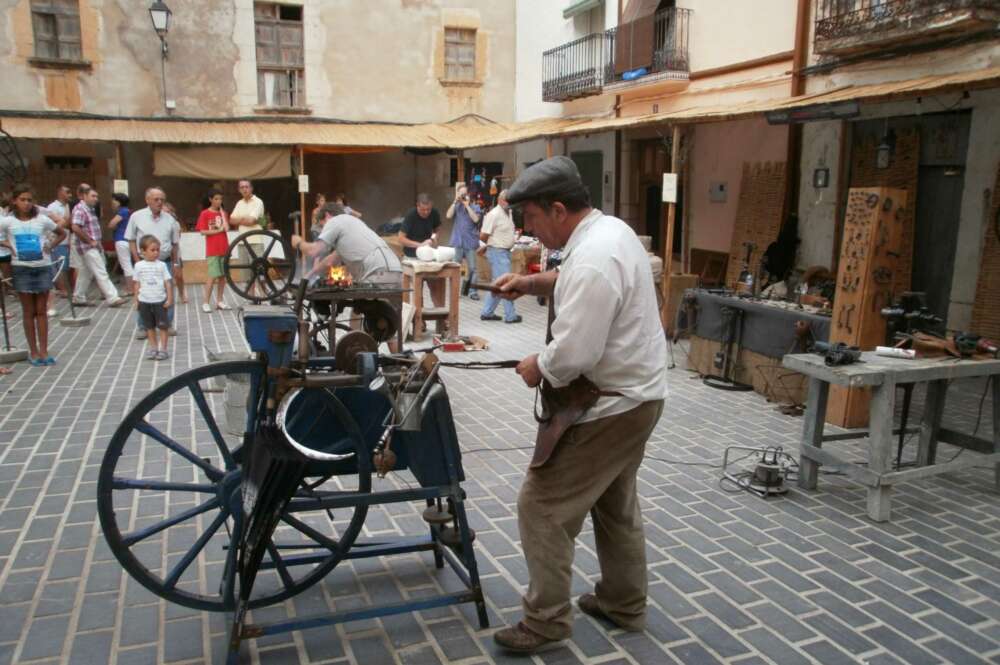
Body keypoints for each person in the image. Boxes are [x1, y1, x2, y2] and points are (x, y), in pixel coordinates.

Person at [490, 157, 668, 654]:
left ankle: (545, 623)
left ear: (559, 208)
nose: (527, 229)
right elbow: (574, 280)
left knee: (541, 506)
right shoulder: (608, 231)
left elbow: (573, 355)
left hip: (612, 404)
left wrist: (538, 366)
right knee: (614, 503)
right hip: (639, 395)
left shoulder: (593, 257)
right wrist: (529, 283)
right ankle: (623, 603)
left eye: (530, 218)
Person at [0, 184, 68, 365]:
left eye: (29, 200)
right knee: (28, 311)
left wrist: (51, 246)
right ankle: (33, 351)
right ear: (14, 201)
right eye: (22, 199)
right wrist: (8, 246)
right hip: (21, 268)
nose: (26, 203)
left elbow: (61, 232)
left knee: (42, 311)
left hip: (42, 267)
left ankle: (44, 350)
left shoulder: (42, 220)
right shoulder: (8, 222)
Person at [126, 187, 180, 338]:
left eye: (162, 199)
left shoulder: (170, 219)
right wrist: (137, 260)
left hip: (165, 262)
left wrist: (175, 264)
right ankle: (143, 326)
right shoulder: (136, 216)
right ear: (147, 200)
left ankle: (167, 324)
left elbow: (175, 244)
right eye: (156, 199)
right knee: (144, 293)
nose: (159, 202)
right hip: (144, 263)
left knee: (167, 292)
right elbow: (130, 240)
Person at [71, 186, 126, 308]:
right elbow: (75, 227)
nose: (96, 199)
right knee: (100, 270)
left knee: (86, 272)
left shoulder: (89, 209)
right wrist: (90, 241)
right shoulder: (80, 209)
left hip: (92, 245)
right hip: (87, 246)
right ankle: (113, 297)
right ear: (84, 196)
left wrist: (97, 243)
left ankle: (78, 297)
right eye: (93, 196)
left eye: (96, 196)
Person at [478, 190, 521, 324]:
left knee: (498, 284)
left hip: (505, 251)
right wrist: (486, 247)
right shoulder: (493, 214)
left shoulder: (509, 212)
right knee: (506, 283)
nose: (510, 204)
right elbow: (483, 235)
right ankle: (510, 315)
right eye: (507, 201)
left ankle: (487, 312)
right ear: (500, 201)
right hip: (497, 251)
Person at [398, 193, 445, 310]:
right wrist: (420, 245)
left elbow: (438, 229)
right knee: (417, 289)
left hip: (429, 256)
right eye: (423, 210)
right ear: (417, 206)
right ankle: (420, 320)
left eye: (428, 209)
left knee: (436, 285)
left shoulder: (434, 213)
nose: (426, 212)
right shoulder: (411, 215)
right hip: (412, 257)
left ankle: (441, 317)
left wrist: (435, 238)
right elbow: (401, 238)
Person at [133, 235, 174, 361]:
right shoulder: (139, 266)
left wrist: (170, 298)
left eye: (157, 250)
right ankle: (153, 348)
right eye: (153, 250)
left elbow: (167, 282)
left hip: (159, 301)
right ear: (143, 251)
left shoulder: (161, 265)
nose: (156, 252)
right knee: (149, 327)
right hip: (145, 301)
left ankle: (164, 349)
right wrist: (136, 300)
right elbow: (137, 284)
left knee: (163, 326)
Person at [196, 189, 231, 312]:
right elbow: (202, 231)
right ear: (210, 199)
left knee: (223, 276)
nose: (219, 201)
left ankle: (220, 301)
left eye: (220, 199)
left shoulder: (223, 213)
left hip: (224, 248)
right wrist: (217, 231)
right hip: (212, 249)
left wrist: (222, 213)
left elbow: (226, 228)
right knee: (212, 275)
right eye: (216, 199)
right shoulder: (205, 213)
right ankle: (206, 302)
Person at [446, 183, 482, 300]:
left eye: (465, 194)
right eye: (461, 194)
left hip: (470, 241)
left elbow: (476, 219)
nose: (463, 196)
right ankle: (455, 291)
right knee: (455, 268)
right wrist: (454, 201)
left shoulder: (475, 206)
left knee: (472, 269)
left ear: (469, 195)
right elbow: (448, 215)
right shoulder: (456, 206)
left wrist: (467, 206)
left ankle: (472, 291)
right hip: (458, 241)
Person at [46, 185, 72, 307]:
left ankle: (64, 288)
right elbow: (60, 224)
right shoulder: (52, 207)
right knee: (60, 266)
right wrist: (65, 221)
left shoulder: (68, 206)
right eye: (67, 192)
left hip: (67, 240)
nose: (70, 195)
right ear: (60, 193)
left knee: (65, 266)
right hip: (58, 241)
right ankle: (62, 289)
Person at [108, 193, 133, 294]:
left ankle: (130, 289)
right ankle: (132, 287)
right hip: (127, 240)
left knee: (126, 265)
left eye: (114, 200)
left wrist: (115, 227)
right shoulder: (128, 211)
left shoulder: (122, 212)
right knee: (128, 264)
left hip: (121, 240)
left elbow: (111, 224)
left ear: (119, 202)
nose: (112, 203)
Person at [165, 202, 187, 303]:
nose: (167, 213)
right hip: (163, 253)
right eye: (165, 212)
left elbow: (177, 240)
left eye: (169, 211)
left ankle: (182, 294)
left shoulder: (175, 224)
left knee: (178, 276)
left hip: (175, 252)